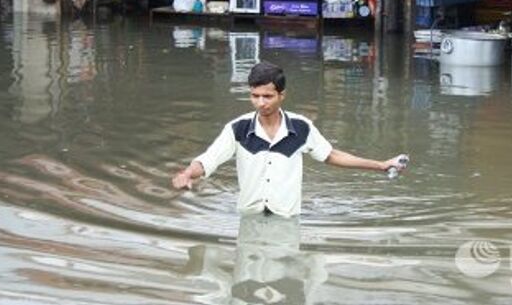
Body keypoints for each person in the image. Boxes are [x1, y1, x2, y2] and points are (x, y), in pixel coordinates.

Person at [171, 61, 407, 217]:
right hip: (249, 218)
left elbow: (331, 155)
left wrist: (380, 165)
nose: (260, 103)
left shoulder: (300, 128)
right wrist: (187, 173)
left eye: (267, 96)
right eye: (255, 96)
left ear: (281, 95)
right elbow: (207, 160)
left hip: (287, 220)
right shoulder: (238, 129)